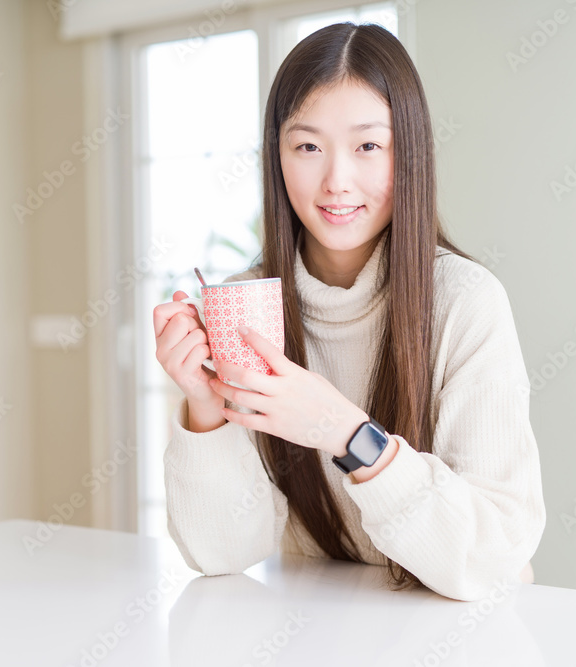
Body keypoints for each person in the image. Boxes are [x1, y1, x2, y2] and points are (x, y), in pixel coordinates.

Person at [152, 22, 545, 602]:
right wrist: (205, 408)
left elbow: (491, 555)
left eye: (368, 146)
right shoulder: (247, 304)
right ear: (277, 157)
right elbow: (222, 553)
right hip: (325, 627)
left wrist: (343, 430)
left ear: (408, 151)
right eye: (308, 146)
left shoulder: (466, 301)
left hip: (464, 629)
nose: (337, 181)